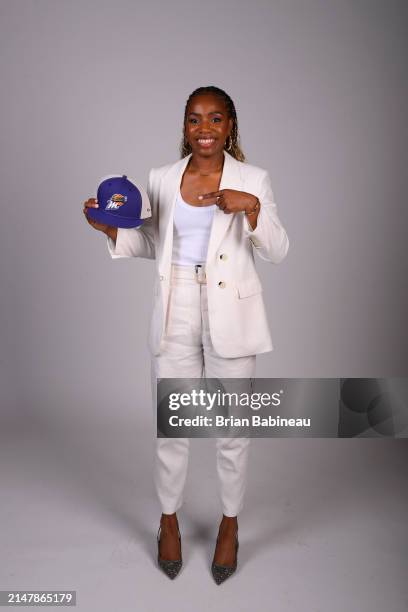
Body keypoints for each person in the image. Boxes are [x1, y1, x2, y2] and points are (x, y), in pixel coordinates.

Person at [83, 85, 289, 584]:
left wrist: (253, 209)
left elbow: (278, 251)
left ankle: (229, 524)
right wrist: (110, 229)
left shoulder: (254, 179)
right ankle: (168, 519)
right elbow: (152, 242)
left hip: (231, 312)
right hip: (175, 304)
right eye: (195, 119)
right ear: (185, 127)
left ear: (230, 126)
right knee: (172, 425)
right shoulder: (160, 178)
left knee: (231, 429)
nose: (204, 129)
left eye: (215, 119)